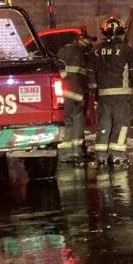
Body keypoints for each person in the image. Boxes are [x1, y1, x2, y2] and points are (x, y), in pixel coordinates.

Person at [92, 17, 133, 166]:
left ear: (104, 33)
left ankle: (101, 156)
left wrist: (94, 92)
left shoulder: (96, 51)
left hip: (103, 97)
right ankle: (117, 155)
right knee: (121, 126)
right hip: (122, 96)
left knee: (104, 125)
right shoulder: (126, 50)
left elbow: (92, 73)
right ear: (122, 33)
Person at [57, 29, 95, 164]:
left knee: (67, 121)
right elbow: (89, 73)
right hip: (78, 92)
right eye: (87, 40)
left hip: (64, 91)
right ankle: (77, 151)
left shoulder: (62, 51)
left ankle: (65, 153)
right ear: (78, 39)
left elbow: (58, 66)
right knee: (78, 120)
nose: (89, 43)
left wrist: (63, 77)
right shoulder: (83, 53)